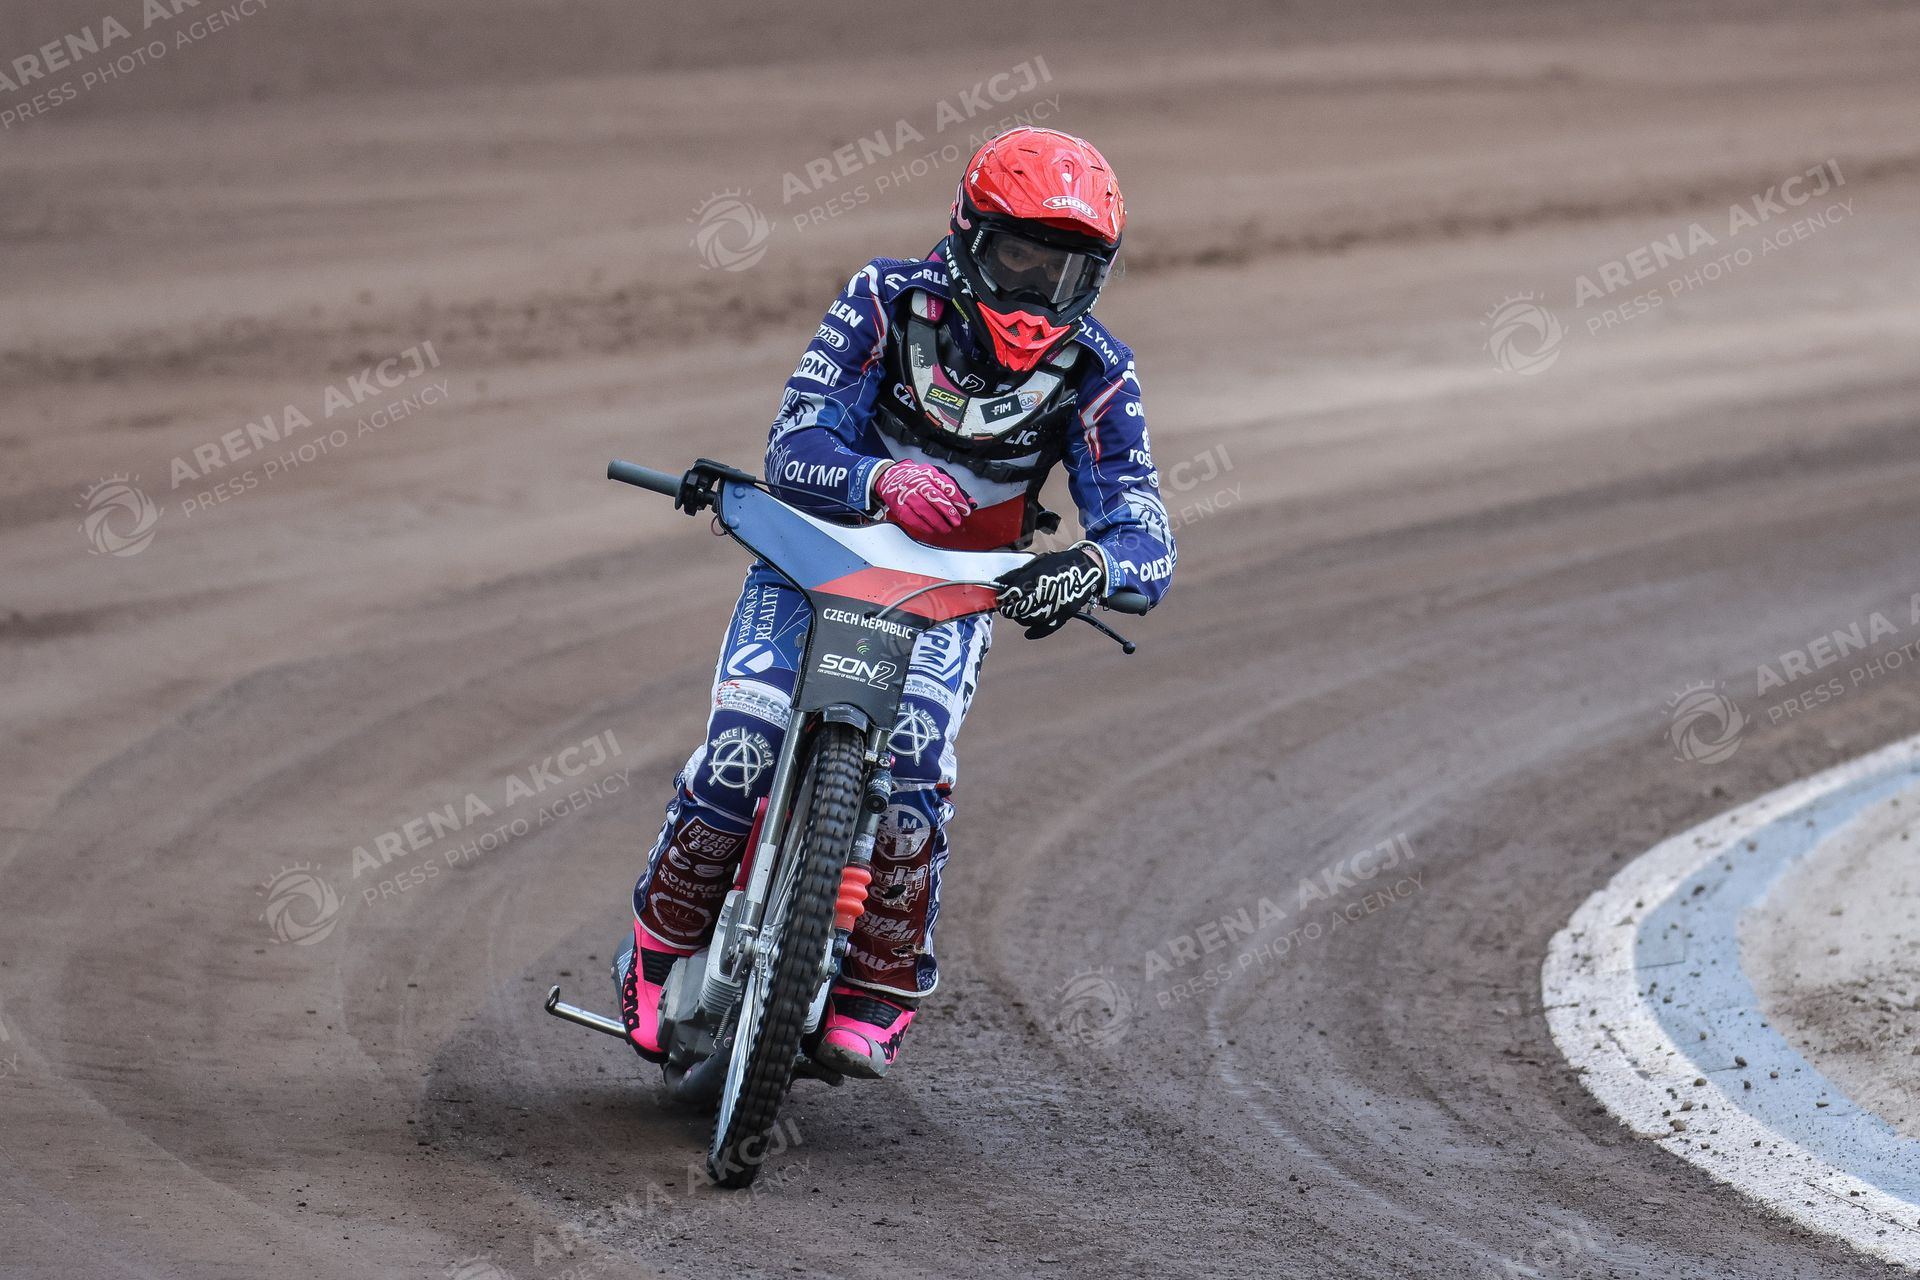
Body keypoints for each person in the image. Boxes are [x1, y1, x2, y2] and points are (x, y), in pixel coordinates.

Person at [617, 126, 1176, 1079]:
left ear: (1098, 276)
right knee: (742, 742)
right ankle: (656, 949)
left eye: (1064, 272)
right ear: (966, 234)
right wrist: (879, 481)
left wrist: (1083, 569)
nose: (1037, 293)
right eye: (1019, 259)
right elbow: (795, 438)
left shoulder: (1100, 373)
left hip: (955, 589)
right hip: (814, 554)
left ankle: (876, 986)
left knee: (916, 764)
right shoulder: (883, 297)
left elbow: (1145, 530)